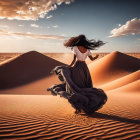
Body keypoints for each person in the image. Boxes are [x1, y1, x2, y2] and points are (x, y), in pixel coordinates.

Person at [47, 34, 107, 115]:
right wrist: (96, 57)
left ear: (78, 40)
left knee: (75, 87)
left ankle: (78, 108)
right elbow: (92, 59)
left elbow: (73, 60)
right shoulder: (88, 49)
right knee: (84, 87)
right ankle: (84, 106)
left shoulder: (75, 48)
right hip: (85, 68)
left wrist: (68, 67)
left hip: (77, 67)